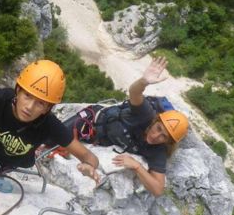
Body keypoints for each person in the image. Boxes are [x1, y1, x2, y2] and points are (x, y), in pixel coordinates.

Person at [0, 60, 101, 184]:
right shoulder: (1, 99)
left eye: (40, 103)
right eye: (27, 96)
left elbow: (89, 157)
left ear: (48, 108)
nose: (29, 107)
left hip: (9, 160)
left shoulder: (49, 124)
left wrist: (89, 166)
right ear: (18, 91)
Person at [62, 57, 188, 196]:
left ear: (168, 142)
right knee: (51, 139)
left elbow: (158, 189)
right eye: (158, 128)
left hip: (98, 140)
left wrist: (137, 167)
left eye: (164, 137)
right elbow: (135, 93)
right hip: (92, 121)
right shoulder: (145, 114)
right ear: (155, 121)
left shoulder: (158, 150)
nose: (156, 136)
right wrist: (143, 81)